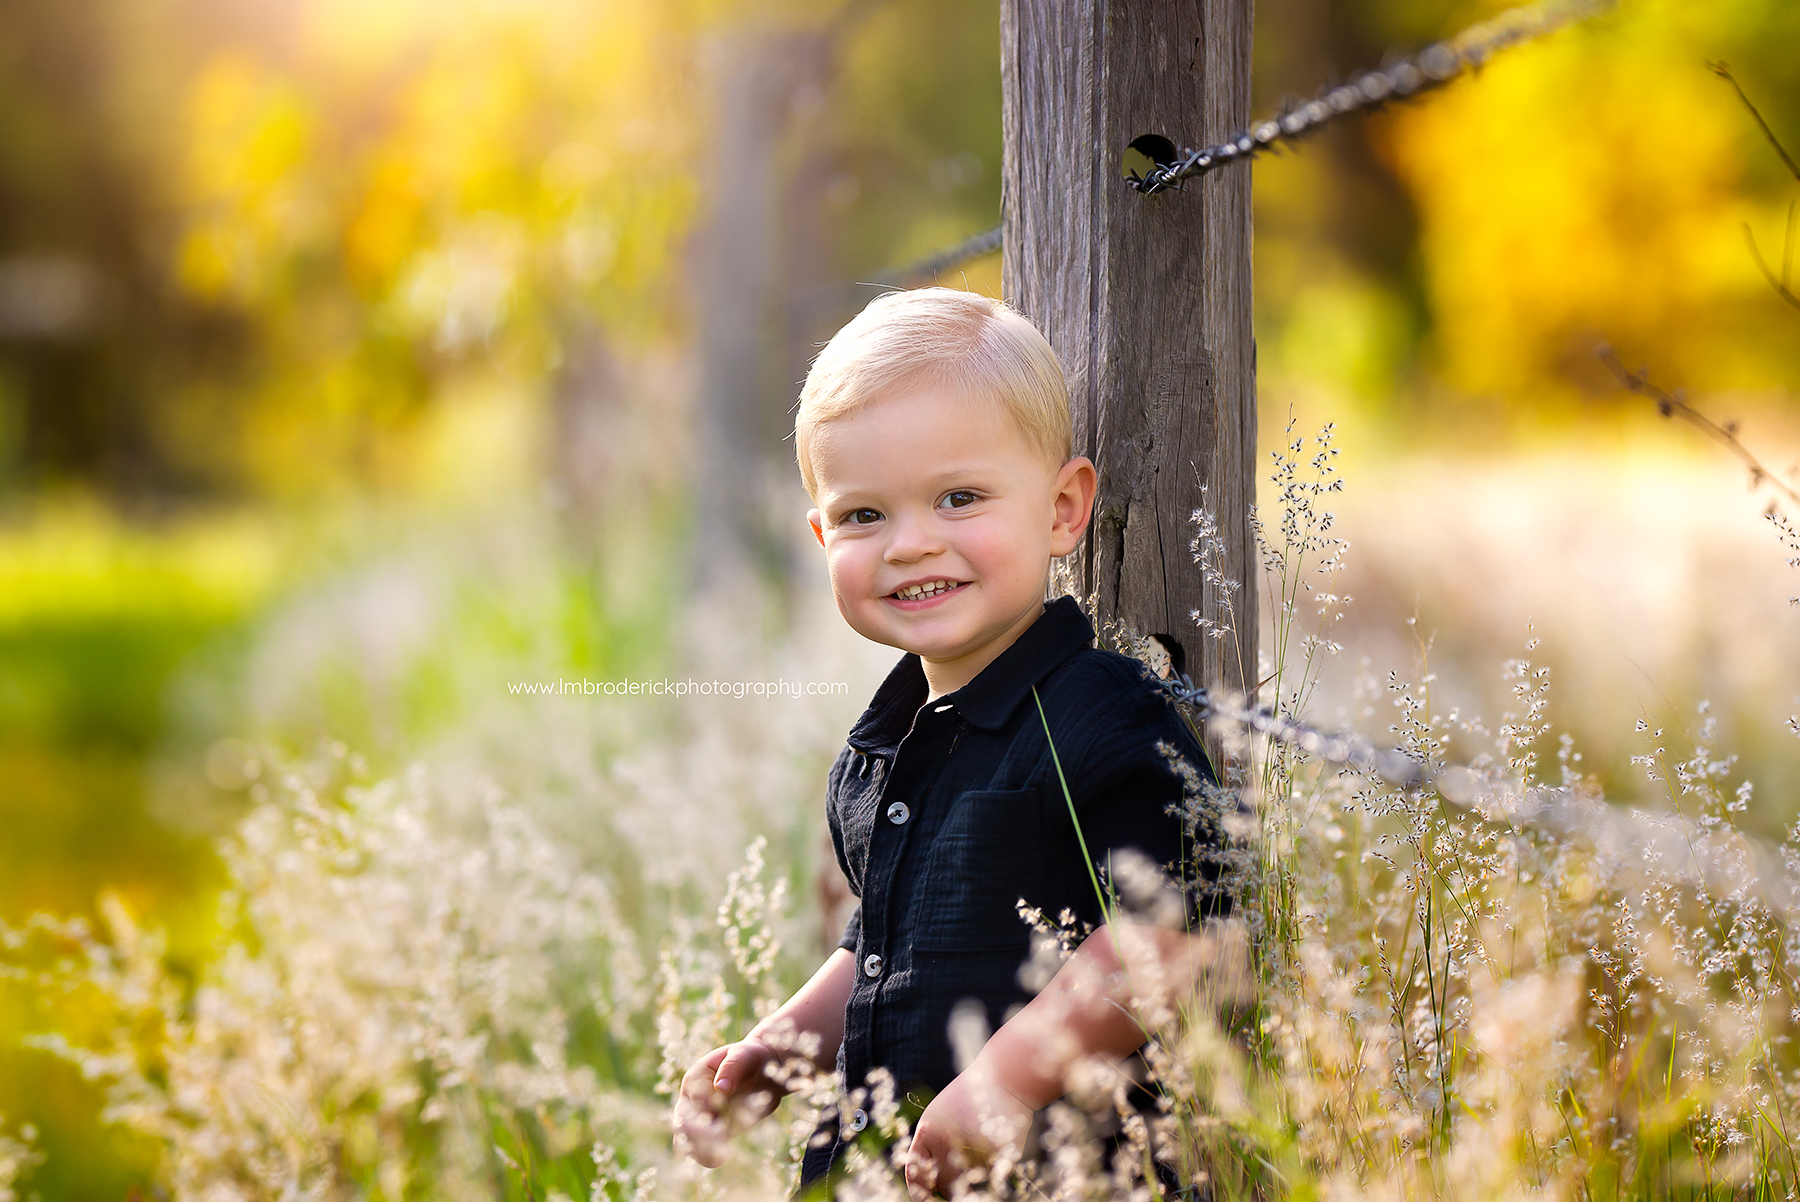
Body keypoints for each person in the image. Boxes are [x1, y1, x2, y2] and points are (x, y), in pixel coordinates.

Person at [671, 287, 1215, 1196]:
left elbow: (1170, 939)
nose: (911, 544)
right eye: (863, 516)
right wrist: (782, 1046)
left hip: (1053, 1173)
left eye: (958, 498)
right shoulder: (887, 742)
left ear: (1062, 508)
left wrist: (1001, 1087)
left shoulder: (1096, 714)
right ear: (820, 536)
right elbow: (884, 945)